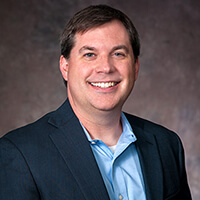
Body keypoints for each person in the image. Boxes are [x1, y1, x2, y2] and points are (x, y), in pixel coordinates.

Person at [0, 4, 192, 200]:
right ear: (65, 67)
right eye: (90, 55)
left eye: (118, 54)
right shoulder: (20, 153)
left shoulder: (166, 145)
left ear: (135, 67)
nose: (106, 67)